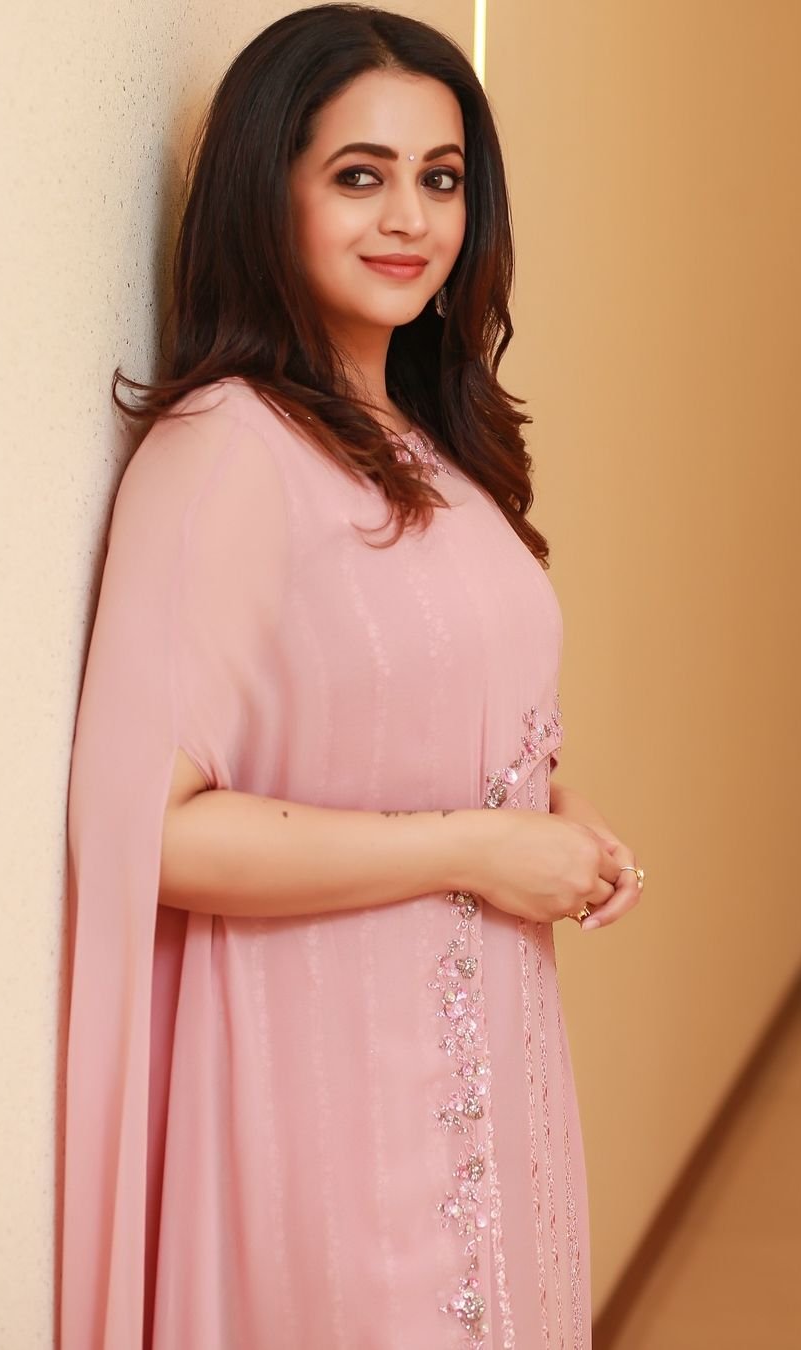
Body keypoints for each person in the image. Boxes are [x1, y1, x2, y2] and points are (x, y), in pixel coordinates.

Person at [60, 5, 645, 1347]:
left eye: (440, 178)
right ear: (269, 195)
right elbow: (151, 831)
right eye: (358, 175)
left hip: (484, 1073)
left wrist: (551, 814)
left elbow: (422, 715)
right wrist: (478, 848)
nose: (409, 219)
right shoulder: (227, 451)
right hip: (328, 1097)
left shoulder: (427, 438)